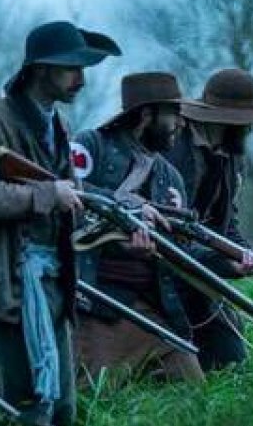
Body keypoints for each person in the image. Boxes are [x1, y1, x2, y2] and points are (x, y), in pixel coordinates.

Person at [0, 20, 120, 426]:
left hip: (49, 283)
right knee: (27, 414)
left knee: (60, 412)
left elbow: (69, 192)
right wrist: (48, 194)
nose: (81, 79)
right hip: (0, 285)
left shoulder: (55, 122)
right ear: (41, 69)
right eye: (71, 69)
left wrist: (121, 210)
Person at [69, 72, 205, 386]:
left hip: (152, 303)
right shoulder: (91, 145)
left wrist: (235, 261)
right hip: (94, 298)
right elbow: (67, 194)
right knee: (88, 398)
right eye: (173, 114)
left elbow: (181, 249)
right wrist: (125, 208)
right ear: (146, 115)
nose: (180, 123)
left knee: (193, 391)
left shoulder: (170, 176)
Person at [165, 68, 253, 372]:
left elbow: (226, 224)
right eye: (246, 122)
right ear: (227, 119)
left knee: (228, 359)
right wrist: (225, 263)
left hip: (199, 273)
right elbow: (170, 235)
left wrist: (245, 251)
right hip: (162, 274)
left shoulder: (232, 155)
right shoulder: (173, 148)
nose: (250, 129)